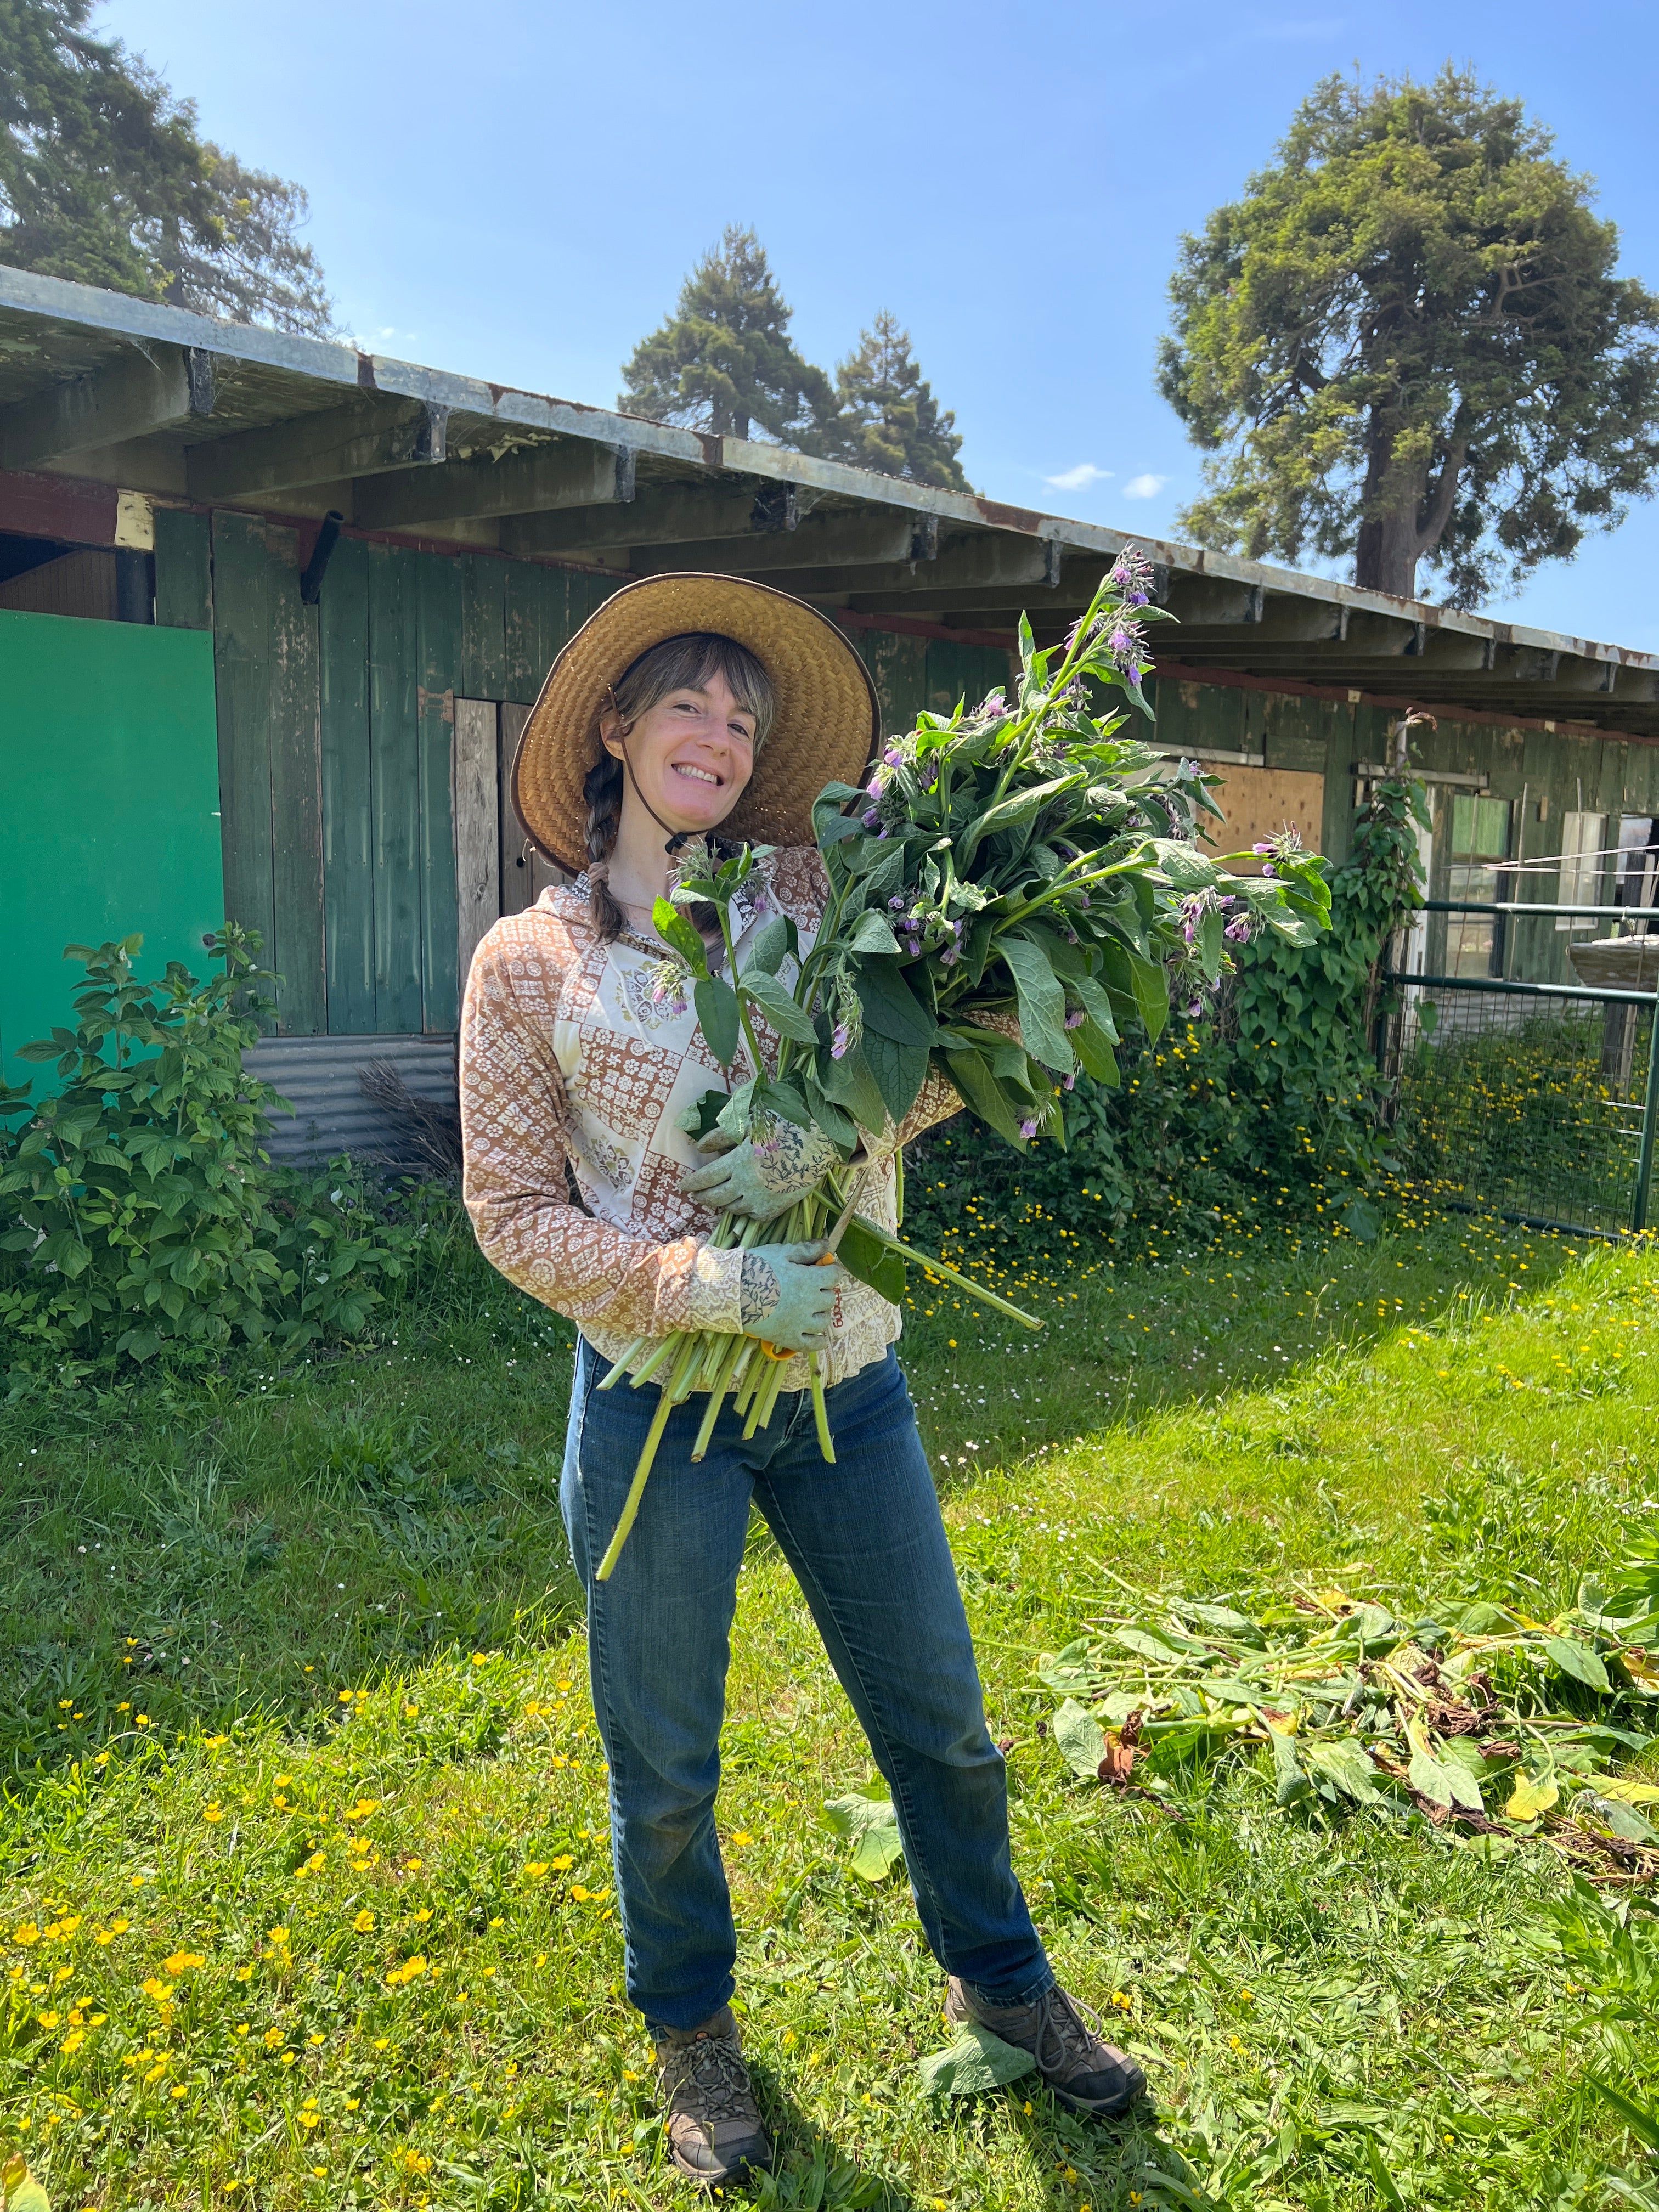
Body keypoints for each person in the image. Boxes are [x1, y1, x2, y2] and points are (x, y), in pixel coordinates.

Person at [459, 573, 1145, 2188]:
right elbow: (507, 1212)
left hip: (845, 1386)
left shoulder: (807, 905)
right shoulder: (528, 963)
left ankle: (1004, 1981)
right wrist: (708, 1278)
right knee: (669, 1767)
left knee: (947, 1731)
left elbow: (927, 1061)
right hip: (652, 1410)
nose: (717, 730)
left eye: (742, 715)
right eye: (686, 702)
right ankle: (693, 2028)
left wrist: (849, 1127)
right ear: (617, 736)